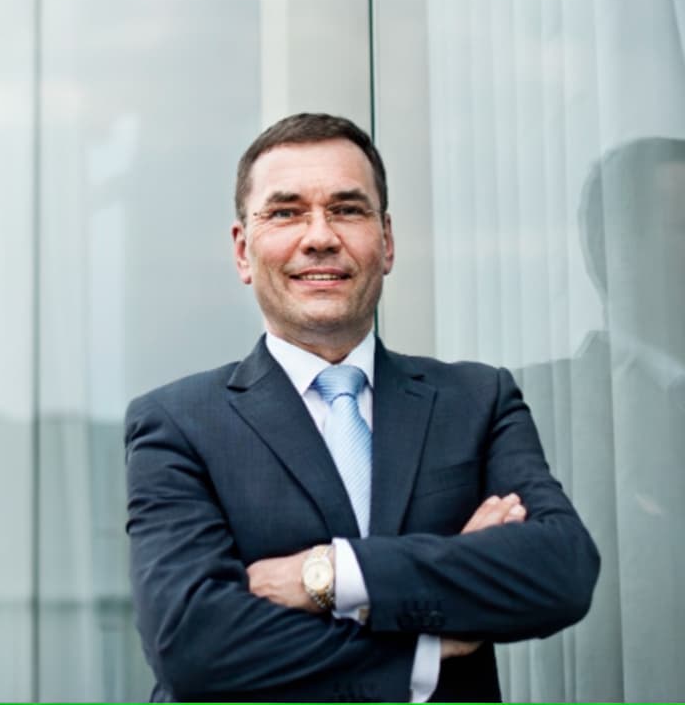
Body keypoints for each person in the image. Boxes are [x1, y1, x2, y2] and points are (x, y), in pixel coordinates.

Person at [124, 113, 600, 702]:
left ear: (387, 241)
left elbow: (561, 570)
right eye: (286, 212)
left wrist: (326, 573)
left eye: (347, 210)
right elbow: (192, 646)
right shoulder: (177, 423)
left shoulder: (478, 401)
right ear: (244, 252)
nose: (320, 236)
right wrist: (431, 638)